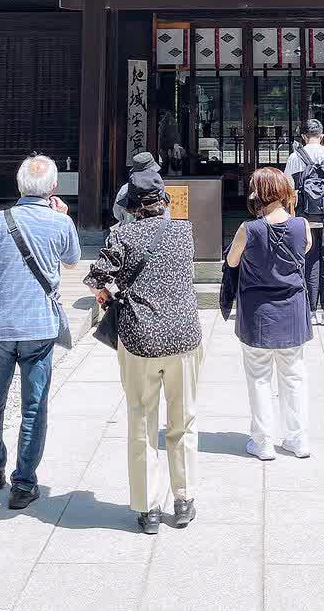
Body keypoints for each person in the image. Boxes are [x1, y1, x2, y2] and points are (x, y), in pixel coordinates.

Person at [86, 171, 202, 535]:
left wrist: (104, 293)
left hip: (140, 337)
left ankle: (149, 507)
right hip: (183, 333)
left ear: (133, 205)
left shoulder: (122, 234)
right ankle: (183, 499)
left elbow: (96, 275)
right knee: (183, 419)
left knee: (141, 419)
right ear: (165, 200)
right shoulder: (184, 231)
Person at [0, 154, 80, 510]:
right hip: (39, 325)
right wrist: (64, 218)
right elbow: (72, 261)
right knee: (33, 405)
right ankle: (24, 482)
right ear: (53, 188)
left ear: (20, 186)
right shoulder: (60, 222)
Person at [225, 167, 313, 460]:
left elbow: (232, 260)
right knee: (294, 377)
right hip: (292, 310)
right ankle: (297, 439)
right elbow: (306, 249)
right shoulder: (302, 225)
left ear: (257, 194)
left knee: (259, 378)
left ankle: (262, 442)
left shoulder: (248, 229)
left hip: (258, 313)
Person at [285, 119, 324, 326]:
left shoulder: (295, 157)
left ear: (303, 136)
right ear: (322, 136)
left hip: (304, 219)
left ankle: (310, 311)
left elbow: (288, 188)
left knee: (309, 261)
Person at [111, 151, 168, 225]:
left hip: (128, 231)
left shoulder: (125, 188)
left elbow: (117, 213)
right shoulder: (158, 186)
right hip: (156, 229)